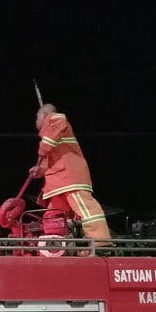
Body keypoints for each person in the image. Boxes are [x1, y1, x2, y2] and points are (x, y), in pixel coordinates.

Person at [29, 104, 112, 251]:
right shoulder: (50, 137)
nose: (35, 121)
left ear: (44, 115)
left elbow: (49, 141)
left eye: (37, 117)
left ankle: (101, 241)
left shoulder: (55, 119)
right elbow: (49, 160)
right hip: (57, 184)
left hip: (70, 178)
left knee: (86, 208)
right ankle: (58, 244)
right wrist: (39, 170)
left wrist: (43, 149)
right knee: (53, 216)